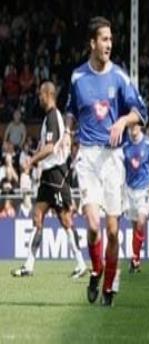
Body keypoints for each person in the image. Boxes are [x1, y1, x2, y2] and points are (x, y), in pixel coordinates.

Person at [66, 17, 148, 306]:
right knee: (92, 225)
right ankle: (96, 269)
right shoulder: (78, 77)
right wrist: (67, 132)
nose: (109, 44)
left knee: (112, 231)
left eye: (111, 39)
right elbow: (71, 110)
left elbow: (142, 112)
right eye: (104, 39)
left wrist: (123, 121)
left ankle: (109, 284)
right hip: (88, 156)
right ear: (92, 43)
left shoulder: (120, 78)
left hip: (113, 158)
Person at [11, 82, 87, 279]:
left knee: (65, 219)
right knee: (38, 216)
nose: (39, 98)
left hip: (56, 176)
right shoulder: (48, 118)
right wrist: (35, 159)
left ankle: (81, 264)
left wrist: (31, 161)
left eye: (40, 95)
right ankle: (28, 266)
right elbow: (44, 146)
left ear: (47, 94)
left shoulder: (53, 116)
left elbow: (50, 148)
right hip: (47, 176)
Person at [123, 123, 149, 273]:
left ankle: (134, 258)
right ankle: (136, 260)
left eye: (135, 126)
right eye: (130, 126)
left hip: (145, 190)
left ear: (140, 127)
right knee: (135, 226)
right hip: (129, 189)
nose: (132, 129)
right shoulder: (125, 145)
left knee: (141, 222)